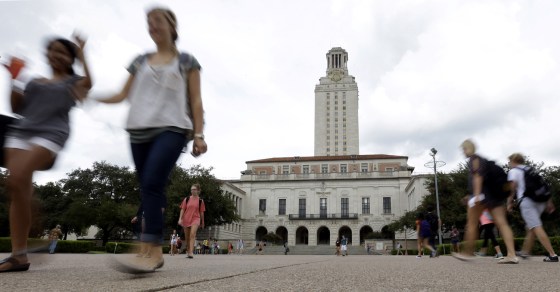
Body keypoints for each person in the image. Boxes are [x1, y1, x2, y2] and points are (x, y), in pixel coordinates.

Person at [98, 7, 206, 272]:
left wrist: (199, 134)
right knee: (147, 188)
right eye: (148, 22)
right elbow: (122, 94)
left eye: (157, 20)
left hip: (172, 128)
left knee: (153, 182)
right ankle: (147, 248)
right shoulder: (140, 60)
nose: (152, 25)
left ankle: (153, 250)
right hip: (139, 130)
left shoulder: (187, 61)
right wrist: (89, 94)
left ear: (172, 25)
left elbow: (195, 100)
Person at [0, 35, 92, 273]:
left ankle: (37, 220)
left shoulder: (73, 81)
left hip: (50, 134)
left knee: (18, 177)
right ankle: (18, 256)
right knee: (16, 185)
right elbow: (17, 108)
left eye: (62, 51)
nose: (56, 55)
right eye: (52, 50)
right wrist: (14, 78)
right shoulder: (35, 81)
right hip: (20, 131)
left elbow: (88, 84)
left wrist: (83, 55)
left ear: (70, 57)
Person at [452, 139, 518, 264]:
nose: (463, 152)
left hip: (481, 196)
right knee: (502, 224)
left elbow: (478, 176)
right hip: (494, 197)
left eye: (464, 149)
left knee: (471, 224)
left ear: (468, 148)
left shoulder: (474, 159)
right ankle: (512, 255)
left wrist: (476, 196)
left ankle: (468, 253)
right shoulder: (484, 160)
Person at [507, 153, 558, 262]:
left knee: (535, 226)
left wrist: (509, 202)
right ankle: (525, 251)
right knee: (531, 227)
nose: (509, 163)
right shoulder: (530, 169)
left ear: (513, 161)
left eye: (509, 161)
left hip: (527, 201)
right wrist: (549, 202)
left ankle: (552, 254)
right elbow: (543, 185)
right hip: (541, 201)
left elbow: (512, 188)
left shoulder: (514, 171)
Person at [178, 184, 206, 259]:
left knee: (192, 234)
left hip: (196, 218)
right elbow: (182, 209)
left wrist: (202, 222)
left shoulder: (200, 201)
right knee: (187, 237)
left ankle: (191, 252)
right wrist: (180, 219)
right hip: (186, 219)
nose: (192, 191)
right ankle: (188, 250)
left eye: (194, 189)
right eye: (191, 189)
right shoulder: (186, 199)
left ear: (198, 191)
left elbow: (202, 212)